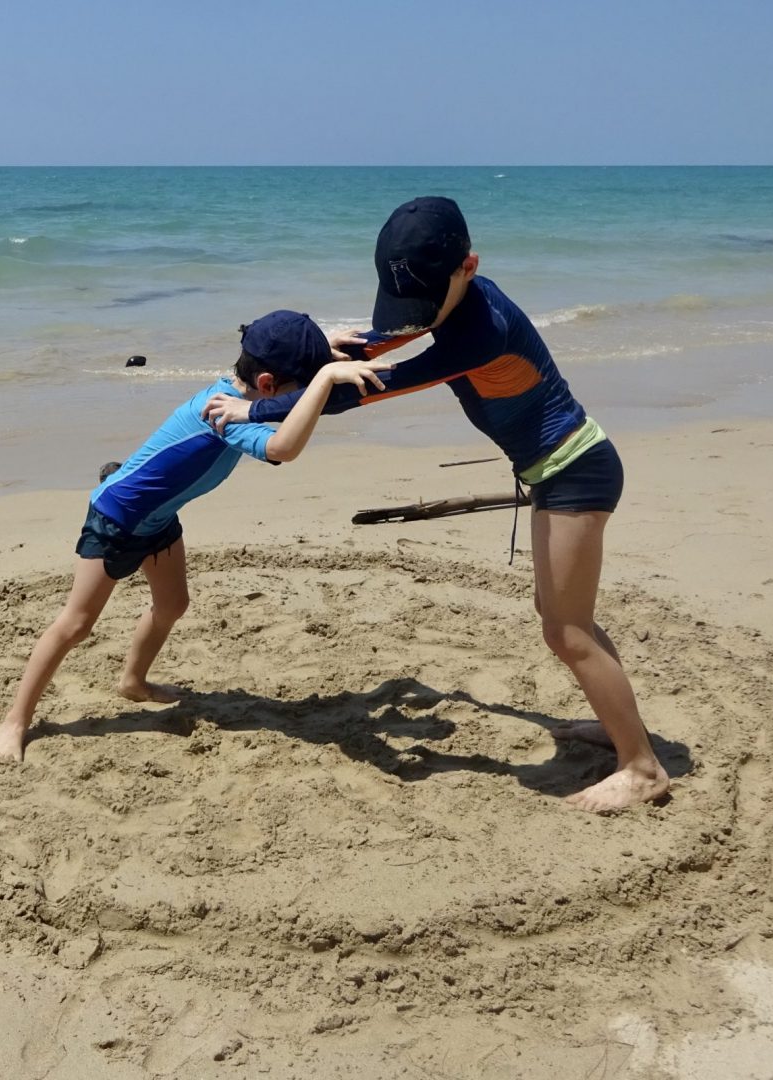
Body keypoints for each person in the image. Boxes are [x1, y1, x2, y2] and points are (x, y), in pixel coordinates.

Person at [203, 198, 669, 812]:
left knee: (566, 630)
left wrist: (255, 409)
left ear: (467, 267)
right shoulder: (456, 300)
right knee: (563, 618)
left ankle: (642, 769)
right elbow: (380, 344)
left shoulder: (481, 331)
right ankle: (618, 728)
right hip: (559, 474)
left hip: (575, 474)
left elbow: (370, 389)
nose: (414, 314)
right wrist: (321, 354)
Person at [0, 311, 390, 762]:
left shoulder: (238, 389)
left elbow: (275, 365)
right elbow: (284, 448)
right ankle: (15, 721)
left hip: (158, 517)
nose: (301, 394)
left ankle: (133, 682)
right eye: (299, 386)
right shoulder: (225, 415)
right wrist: (326, 378)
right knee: (76, 624)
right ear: (266, 385)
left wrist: (319, 350)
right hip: (117, 517)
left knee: (173, 605)